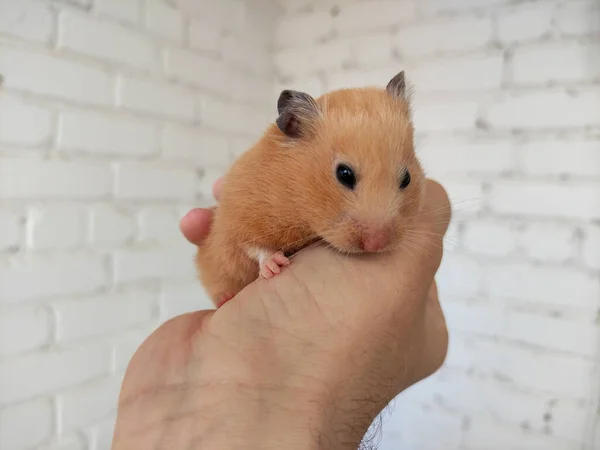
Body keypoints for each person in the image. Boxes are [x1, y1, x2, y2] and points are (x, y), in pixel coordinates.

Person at [110, 177, 451, 450]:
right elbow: (244, 224)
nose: (376, 241)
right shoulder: (275, 184)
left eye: (403, 181)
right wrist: (261, 255)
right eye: (346, 177)